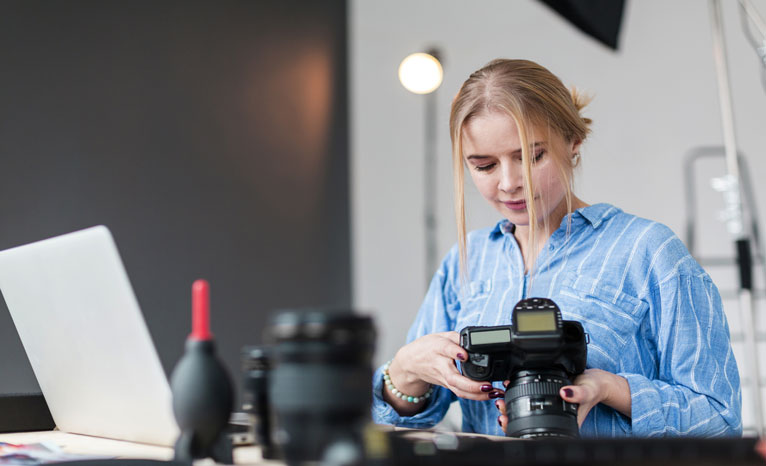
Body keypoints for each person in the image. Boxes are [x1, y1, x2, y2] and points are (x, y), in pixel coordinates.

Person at [371, 58, 742, 437]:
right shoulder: (469, 260)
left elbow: (720, 420)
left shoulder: (647, 252)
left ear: (573, 141)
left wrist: (609, 389)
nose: (509, 183)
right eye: (485, 166)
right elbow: (399, 421)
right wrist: (403, 370)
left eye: (532, 157)